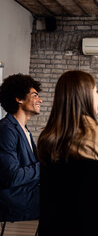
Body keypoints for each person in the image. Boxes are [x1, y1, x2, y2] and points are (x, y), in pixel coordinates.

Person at [37, 70, 98, 236]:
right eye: (96, 91)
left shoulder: (45, 139)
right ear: (85, 96)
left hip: (56, 224)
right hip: (95, 226)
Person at [0, 74, 42, 221]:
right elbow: (12, 176)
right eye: (35, 95)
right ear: (19, 99)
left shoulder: (25, 131)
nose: (40, 100)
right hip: (15, 200)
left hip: (28, 193)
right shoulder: (6, 130)